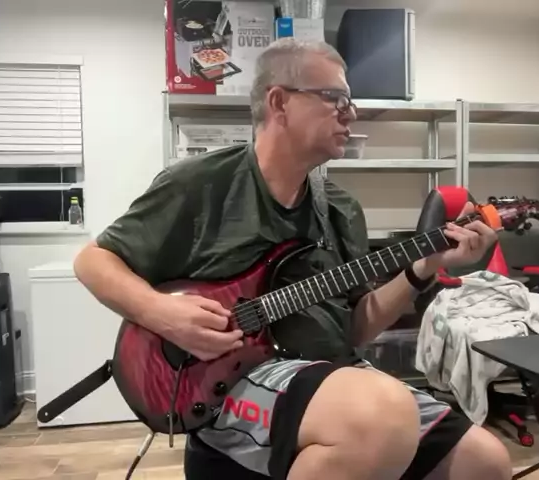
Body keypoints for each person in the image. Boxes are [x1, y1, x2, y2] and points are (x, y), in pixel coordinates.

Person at [73, 38, 512, 480]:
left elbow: (355, 327)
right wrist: (162, 313)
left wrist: (425, 267)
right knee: (381, 417)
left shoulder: (341, 209)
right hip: (237, 378)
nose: (350, 114)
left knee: (484, 461)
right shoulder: (200, 184)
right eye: (335, 98)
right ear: (279, 102)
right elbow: (93, 262)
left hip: (331, 371)